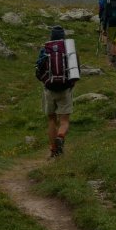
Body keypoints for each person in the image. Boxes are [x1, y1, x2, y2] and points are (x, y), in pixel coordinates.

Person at [35, 26, 75, 158]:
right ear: (63, 37)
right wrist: (70, 85)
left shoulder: (45, 50)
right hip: (65, 89)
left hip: (49, 89)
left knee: (52, 120)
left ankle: (53, 150)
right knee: (64, 121)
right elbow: (75, 71)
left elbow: (38, 71)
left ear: (51, 37)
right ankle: (61, 136)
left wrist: (45, 82)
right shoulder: (69, 50)